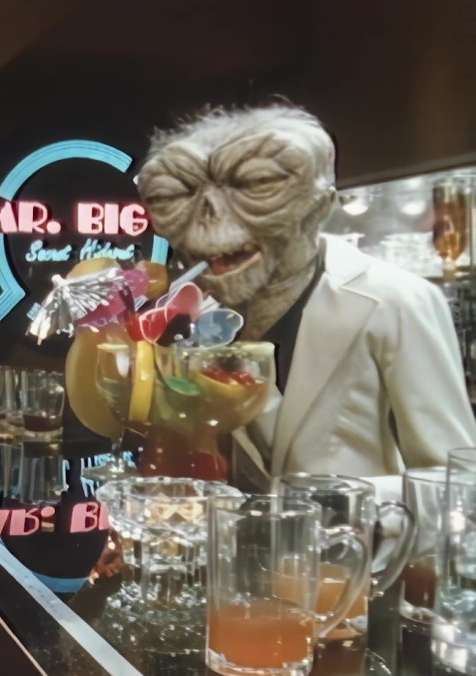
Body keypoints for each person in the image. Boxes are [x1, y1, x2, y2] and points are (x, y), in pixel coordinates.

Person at [137, 103, 476, 489]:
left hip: (363, 531)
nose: (210, 221)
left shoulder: (393, 301)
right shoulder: (204, 319)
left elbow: (461, 481)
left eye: (257, 184)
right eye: (174, 196)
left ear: (320, 207)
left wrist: (337, 500)